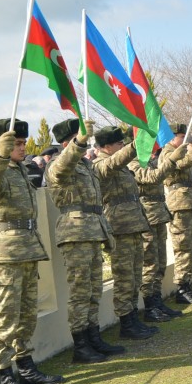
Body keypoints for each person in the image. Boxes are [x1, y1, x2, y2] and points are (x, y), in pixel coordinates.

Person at [0, 118, 64, 384]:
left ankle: (25, 367)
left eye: (24, 143)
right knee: (3, 318)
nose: (23, 147)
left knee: (25, 315)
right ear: (1, 144)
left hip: (26, 249)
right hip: (4, 255)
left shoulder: (19, 170)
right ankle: (6, 379)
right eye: (17, 143)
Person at [45, 118, 122, 363]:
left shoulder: (86, 166)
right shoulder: (59, 164)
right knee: (80, 291)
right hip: (75, 233)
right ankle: (81, 345)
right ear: (68, 142)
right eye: (78, 139)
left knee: (94, 289)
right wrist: (78, 143)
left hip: (93, 230)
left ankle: (93, 336)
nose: (85, 141)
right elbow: (62, 167)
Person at [92, 127, 159, 339]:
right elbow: (113, 163)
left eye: (123, 143)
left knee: (135, 273)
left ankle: (133, 319)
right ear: (105, 146)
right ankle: (126, 323)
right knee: (123, 276)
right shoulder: (101, 164)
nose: (122, 146)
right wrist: (135, 145)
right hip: (119, 227)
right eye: (118, 143)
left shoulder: (121, 166)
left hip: (134, 224)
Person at [128, 147, 184, 322]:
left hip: (159, 214)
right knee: (150, 264)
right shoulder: (134, 163)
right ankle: (150, 306)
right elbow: (152, 177)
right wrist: (172, 160)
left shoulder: (150, 160)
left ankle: (157, 301)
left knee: (160, 262)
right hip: (147, 216)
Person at [161, 123, 192, 304]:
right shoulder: (167, 153)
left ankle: (187, 284)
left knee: (190, 247)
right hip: (178, 205)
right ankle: (181, 289)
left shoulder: (178, 151)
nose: (184, 139)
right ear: (171, 137)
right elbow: (183, 164)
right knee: (182, 246)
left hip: (187, 203)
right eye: (181, 136)